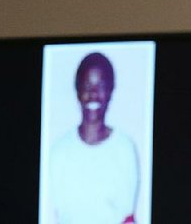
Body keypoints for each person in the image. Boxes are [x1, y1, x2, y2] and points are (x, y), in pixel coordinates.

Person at [49, 52, 139, 224]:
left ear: (110, 91)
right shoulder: (59, 151)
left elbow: (128, 218)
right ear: (77, 91)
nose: (93, 94)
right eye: (87, 86)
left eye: (101, 86)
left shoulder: (125, 148)